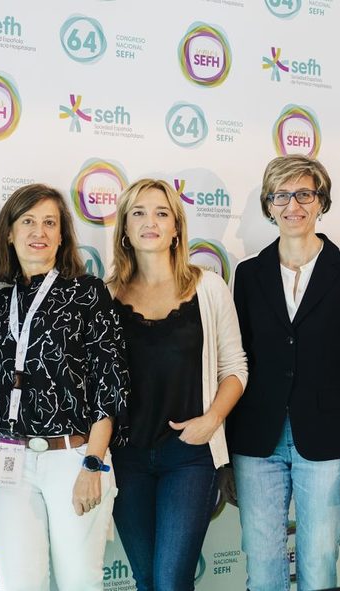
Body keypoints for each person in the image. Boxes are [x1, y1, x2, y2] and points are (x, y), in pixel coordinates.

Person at [229, 154, 340, 591]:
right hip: (256, 441)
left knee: (318, 563)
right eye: (281, 195)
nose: (293, 205)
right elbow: (234, 364)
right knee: (263, 565)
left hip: (328, 440)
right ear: (268, 205)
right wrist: (226, 456)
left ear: (321, 202)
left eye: (304, 194)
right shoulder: (247, 273)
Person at [0, 183, 129, 589]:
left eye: (50, 223)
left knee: (79, 581)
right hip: (10, 461)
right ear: (9, 233)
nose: (39, 232)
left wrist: (94, 463)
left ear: (62, 236)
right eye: (28, 221)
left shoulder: (88, 293)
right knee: (19, 583)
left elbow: (110, 384)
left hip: (74, 456)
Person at [108, 178, 248, 590]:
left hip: (189, 457)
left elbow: (235, 368)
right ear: (125, 228)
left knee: (172, 581)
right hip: (126, 458)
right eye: (138, 213)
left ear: (176, 228)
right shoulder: (105, 295)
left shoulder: (208, 287)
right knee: (147, 579)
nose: (150, 222)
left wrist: (212, 419)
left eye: (161, 213)